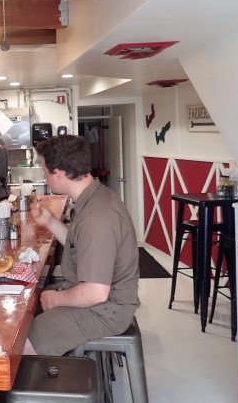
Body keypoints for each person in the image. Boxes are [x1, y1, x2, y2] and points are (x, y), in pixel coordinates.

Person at [23, 135, 140, 356]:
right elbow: (81, 246)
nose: (44, 176)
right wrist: (50, 221)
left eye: (45, 171)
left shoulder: (98, 217)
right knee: (30, 306)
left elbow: (95, 293)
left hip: (103, 311)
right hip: (99, 301)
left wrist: (56, 299)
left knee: (18, 346)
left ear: (59, 173)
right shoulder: (95, 198)